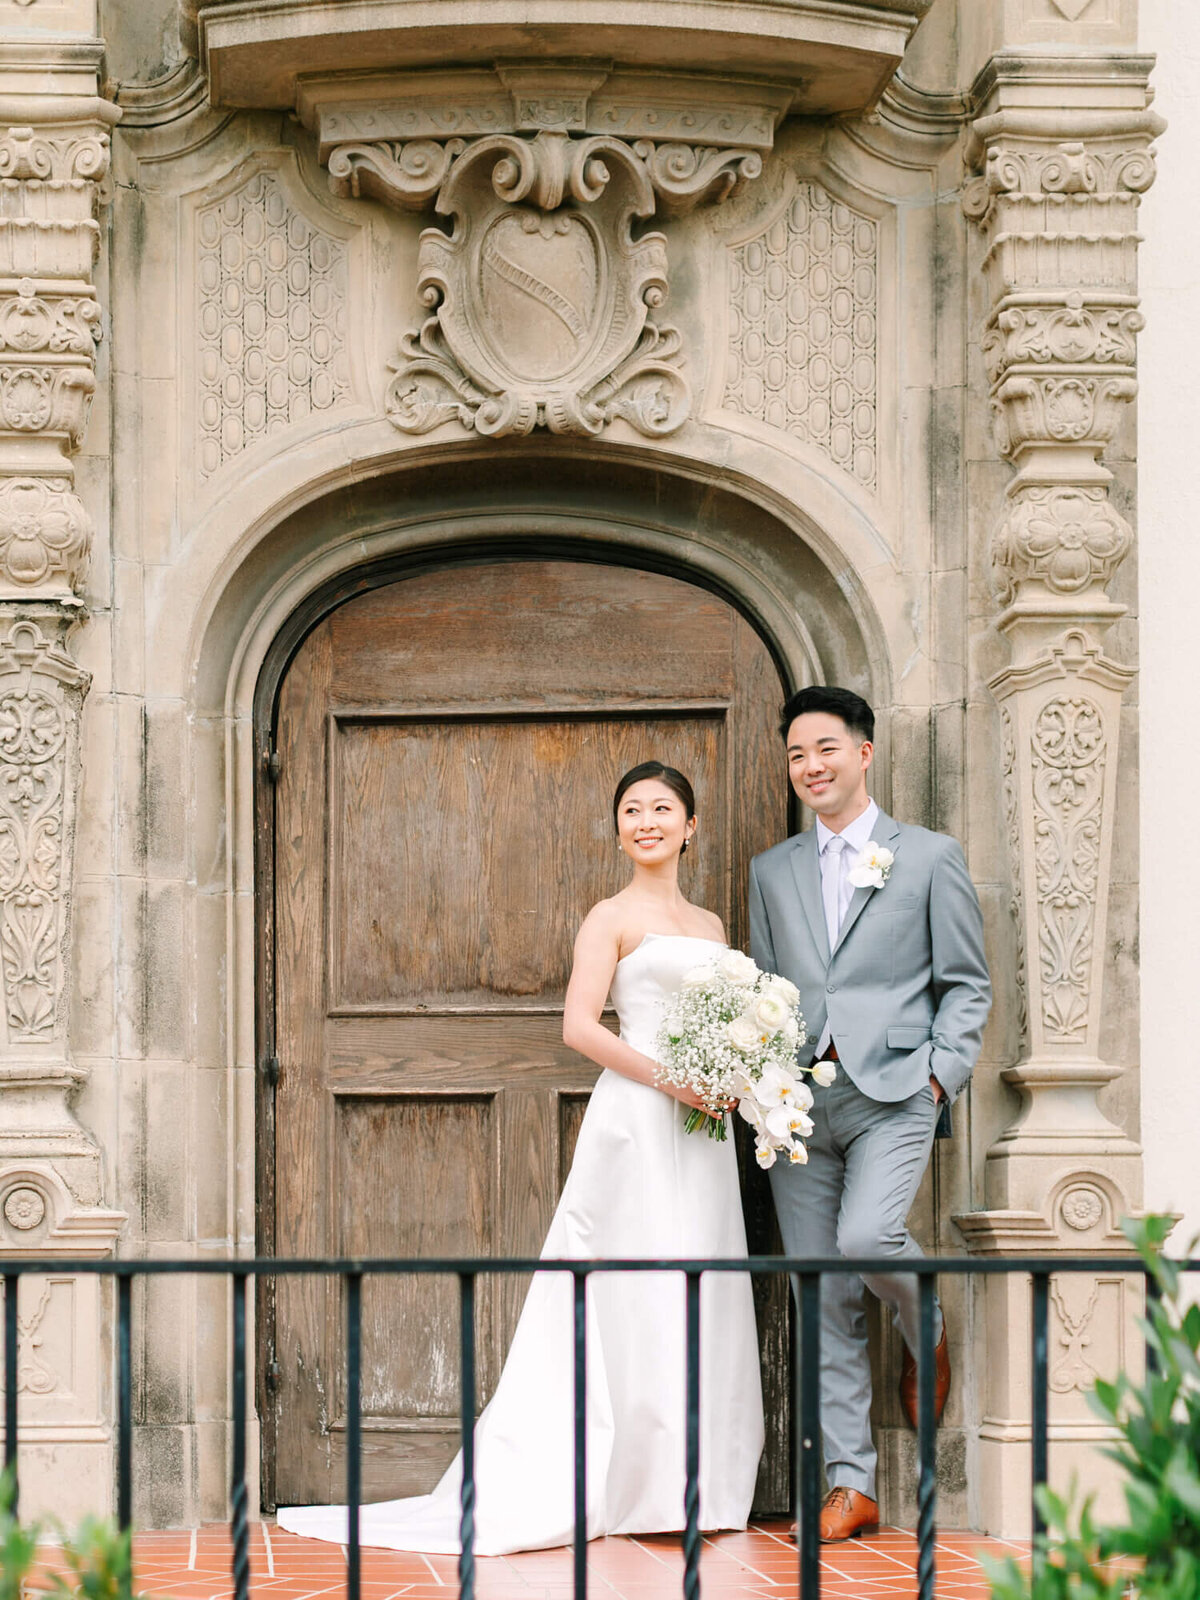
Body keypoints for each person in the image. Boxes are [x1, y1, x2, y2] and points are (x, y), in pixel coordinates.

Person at [278, 760, 764, 1554]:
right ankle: (630, 1483)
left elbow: (725, 1021)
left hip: (701, 1132)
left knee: (699, 1278)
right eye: (632, 809)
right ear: (618, 829)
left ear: (691, 824)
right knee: (632, 1283)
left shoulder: (711, 926)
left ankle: (695, 1482)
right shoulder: (607, 916)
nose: (646, 820)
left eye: (663, 807)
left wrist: (733, 1080)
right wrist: (675, 1080)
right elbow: (580, 1027)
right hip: (639, 1121)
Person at [749, 687, 990, 1544]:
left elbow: (967, 982)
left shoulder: (926, 856)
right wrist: (769, 1086)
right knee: (823, 1289)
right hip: (801, 1108)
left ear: (864, 753)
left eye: (825, 750)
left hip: (897, 1092)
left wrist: (940, 1075)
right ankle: (851, 1484)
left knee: (867, 1242)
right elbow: (769, 990)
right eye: (796, 756)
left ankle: (926, 1319)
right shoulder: (771, 871)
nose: (810, 768)